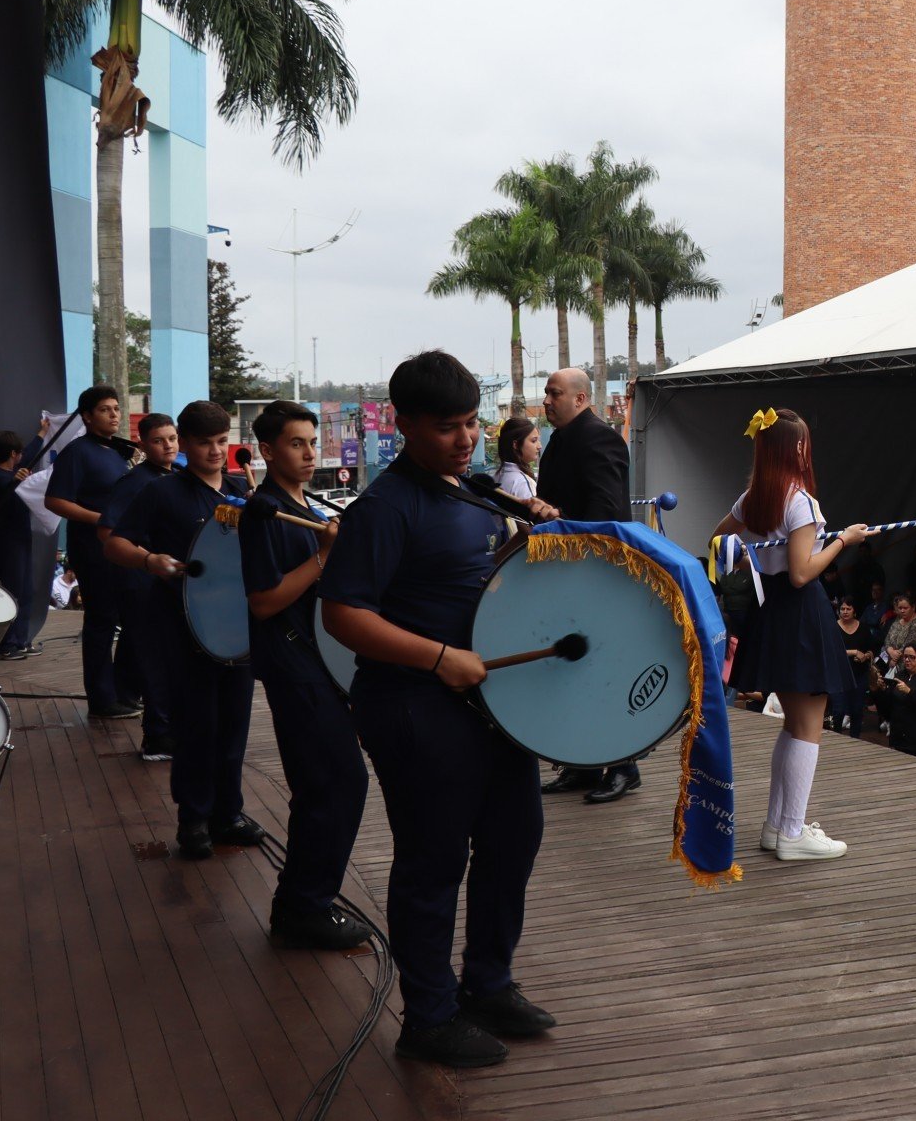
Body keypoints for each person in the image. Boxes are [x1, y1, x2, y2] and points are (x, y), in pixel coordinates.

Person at [320, 350, 560, 1068]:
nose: (466, 437)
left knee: (514, 838)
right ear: (404, 426)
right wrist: (435, 656)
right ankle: (428, 1016)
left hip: (489, 705)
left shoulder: (475, 494)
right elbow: (341, 615)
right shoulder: (385, 509)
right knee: (432, 863)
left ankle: (488, 982)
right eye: (448, 427)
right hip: (414, 707)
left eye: (471, 422)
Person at [239, 400, 372, 952]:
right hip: (293, 664)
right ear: (268, 450)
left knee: (329, 784)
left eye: (312, 442)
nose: (309, 452)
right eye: (296, 443)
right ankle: (302, 907)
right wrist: (323, 557)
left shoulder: (310, 505)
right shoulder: (262, 512)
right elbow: (264, 602)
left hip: (321, 664)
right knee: (332, 783)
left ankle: (305, 899)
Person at [711, 406, 870, 860]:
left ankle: (778, 827)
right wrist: (844, 540)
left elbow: (719, 542)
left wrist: (752, 563)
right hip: (802, 613)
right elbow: (803, 573)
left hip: (773, 612)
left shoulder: (753, 499)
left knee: (793, 728)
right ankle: (793, 833)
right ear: (797, 448)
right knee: (807, 728)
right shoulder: (800, 501)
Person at [103, 402, 254, 859]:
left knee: (234, 726)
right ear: (184, 444)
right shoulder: (161, 493)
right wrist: (150, 560)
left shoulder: (239, 494)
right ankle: (193, 821)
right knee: (197, 726)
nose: (215, 451)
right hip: (182, 626)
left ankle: (228, 814)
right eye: (205, 443)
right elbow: (113, 542)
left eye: (222, 441)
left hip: (238, 629)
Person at [534, 369, 641, 803]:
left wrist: (556, 517)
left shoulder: (598, 437)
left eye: (554, 393)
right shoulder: (560, 438)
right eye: (545, 393)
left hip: (597, 575)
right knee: (573, 670)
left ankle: (623, 765)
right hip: (567, 573)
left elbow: (606, 513)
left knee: (604, 671)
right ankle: (580, 763)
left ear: (580, 398)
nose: (546, 400)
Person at [44, 386, 139, 717]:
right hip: (91, 549)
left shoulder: (114, 452)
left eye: (116, 408)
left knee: (129, 618)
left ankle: (124, 690)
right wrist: (102, 518)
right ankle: (102, 699)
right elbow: (54, 501)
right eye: (104, 409)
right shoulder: (77, 452)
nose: (114, 415)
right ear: (86, 416)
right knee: (101, 620)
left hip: (120, 547)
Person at [97, 413, 178, 761]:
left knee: (155, 657)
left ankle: (161, 726)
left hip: (162, 584)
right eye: (159, 440)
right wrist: (148, 560)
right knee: (153, 659)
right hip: (139, 582)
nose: (168, 446)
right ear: (142, 445)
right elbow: (108, 533)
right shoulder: (134, 482)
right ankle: (158, 738)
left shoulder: (174, 478)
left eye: (172, 438)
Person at [0, 430, 47, 660]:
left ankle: (21, 641)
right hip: (8, 542)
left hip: (19, 539)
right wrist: (16, 479)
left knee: (26, 592)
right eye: (18, 453)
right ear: (13, 454)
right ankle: (5, 646)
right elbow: (6, 484)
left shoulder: (9, 472)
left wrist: (41, 433)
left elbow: (28, 454)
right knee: (13, 593)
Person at [872, 643, 916, 760]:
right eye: (905, 656)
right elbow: (887, 708)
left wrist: (909, 692)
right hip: (900, 736)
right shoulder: (900, 675)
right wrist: (880, 690)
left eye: (912, 657)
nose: (907, 660)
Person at [831, 596, 878, 738]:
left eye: (848, 609)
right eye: (842, 609)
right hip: (838, 675)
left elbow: (871, 649)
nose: (845, 612)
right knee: (838, 711)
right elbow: (830, 650)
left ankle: (855, 739)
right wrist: (853, 652)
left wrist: (865, 655)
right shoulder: (833, 627)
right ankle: (836, 737)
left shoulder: (863, 628)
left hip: (859, 674)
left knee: (857, 710)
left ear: (854, 611)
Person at [493, 417, 540, 501]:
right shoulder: (523, 483)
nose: (539, 446)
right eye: (534, 441)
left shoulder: (497, 476)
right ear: (516, 444)